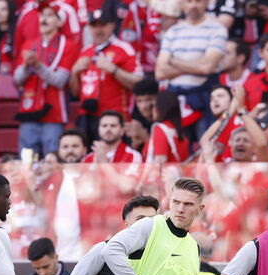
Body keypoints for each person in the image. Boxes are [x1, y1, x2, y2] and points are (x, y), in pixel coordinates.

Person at [13, 3, 78, 156]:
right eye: (42, 15)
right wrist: (26, 67)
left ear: (59, 22)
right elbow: (17, 80)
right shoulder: (29, 44)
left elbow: (60, 81)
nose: (44, 19)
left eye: (50, 15)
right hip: (29, 111)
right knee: (26, 162)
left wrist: (37, 65)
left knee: (52, 160)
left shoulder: (68, 46)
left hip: (53, 113)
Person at [155, 0, 227, 137]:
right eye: (189, 1)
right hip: (175, 101)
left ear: (207, 3)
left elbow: (207, 67)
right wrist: (197, 64)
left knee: (206, 146)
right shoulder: (173, 32)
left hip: (204, 98)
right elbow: (160, 72)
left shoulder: (217, 29)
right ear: (181, 4)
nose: (193, 5)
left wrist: (173, 61)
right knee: (176, 149)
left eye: (198, 1)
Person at [70, 8, 143, 142]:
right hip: (87, 117)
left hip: (114, 117)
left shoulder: (124, 49)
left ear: (112, 25)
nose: (98, 30)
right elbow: (75, 93)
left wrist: (114, 70)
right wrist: (74, 72)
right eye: (94, 25)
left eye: (103, 25)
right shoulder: (85, 51)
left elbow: (139, 84)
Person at [144, 90, 189, 163]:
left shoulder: (160, 129)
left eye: (155, 105)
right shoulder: (180, 132)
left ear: (161, 108)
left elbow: (160, 162)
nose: (153, 109)